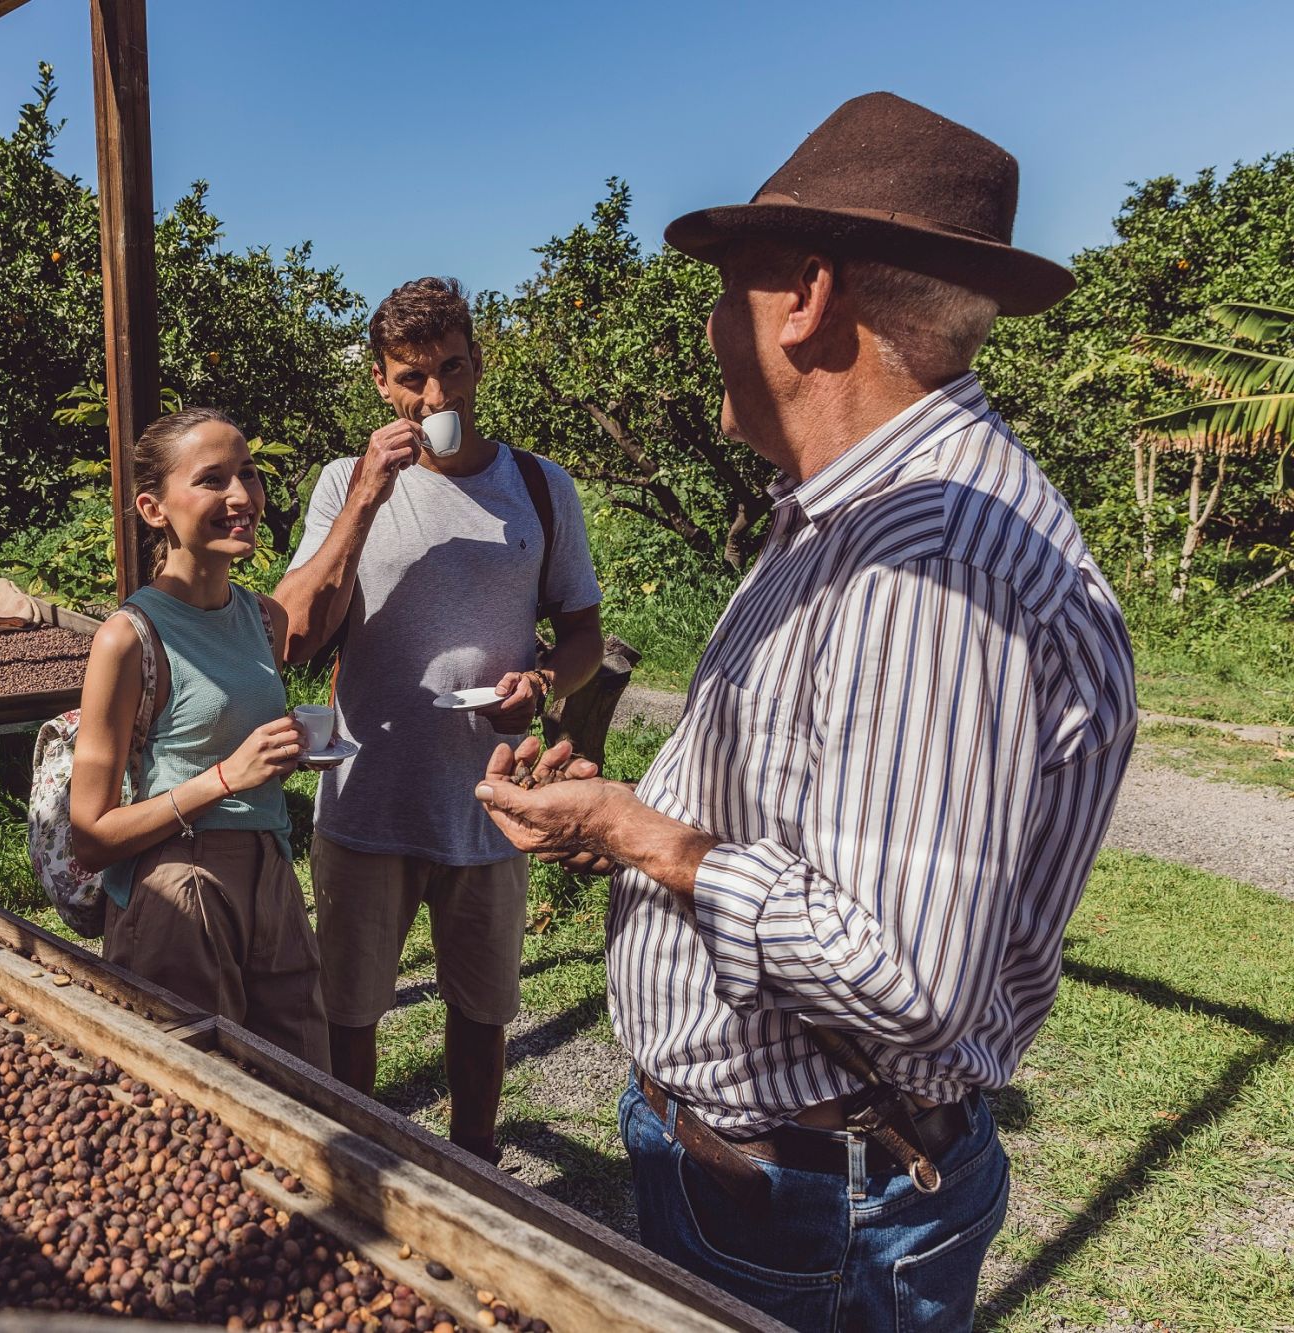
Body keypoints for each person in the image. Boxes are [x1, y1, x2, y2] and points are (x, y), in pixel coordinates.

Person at [473, 93, 1136, 1331]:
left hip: (807, 1203)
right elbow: (800, 813)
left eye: (726, 291)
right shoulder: (842, 519)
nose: (710, 329)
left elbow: (902, 975)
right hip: (768, 1176)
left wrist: (641, 836)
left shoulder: (930, 558)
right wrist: (616, 812)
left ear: (807, 298)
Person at [275, 277, 604, 1160]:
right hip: (368, 797)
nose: (437, 398)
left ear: (477, 362)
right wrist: (364, 502)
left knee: (483, 1007)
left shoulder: (539, 488)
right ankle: (359, 1161)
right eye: (413, 378)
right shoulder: (344, 482)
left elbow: (582, 632)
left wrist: (543, 681)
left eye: (452, 370)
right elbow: (297, 634)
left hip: (491, 803)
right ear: (380, 381)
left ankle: (476, 1165)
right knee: (351, 1008)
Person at [69, 406, 329, 1071]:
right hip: (178, 888)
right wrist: (226, 776)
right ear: (154, 508)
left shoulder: (262, 618)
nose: (242, 495)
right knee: (193, 1107)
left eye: (247, 472)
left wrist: (280, 754)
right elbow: (91, 835)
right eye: (213, 479)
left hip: (271, 874)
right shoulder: (127, 638)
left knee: (300, 1084)